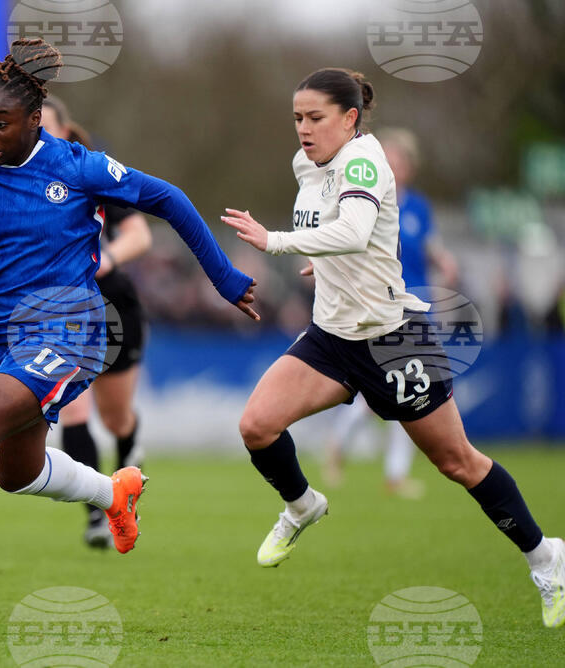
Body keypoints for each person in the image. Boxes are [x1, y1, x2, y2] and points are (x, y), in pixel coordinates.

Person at [0, 38, 258, 615]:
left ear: (35, 120)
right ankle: (112, 492)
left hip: (71, 329)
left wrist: (222, 277)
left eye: (0, 122)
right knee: (16, 473)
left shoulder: (76, 166)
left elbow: (168, 199)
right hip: (5, 334)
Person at [222, 68, 563, 628]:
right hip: (332, 337)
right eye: (297, 119)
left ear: (350, 118)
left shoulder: (365, 159)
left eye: (315, 118)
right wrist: (324, 261)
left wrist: (277, 241)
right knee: (257, 425)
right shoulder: (306, 164)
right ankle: (303, 506)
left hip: (393, 337)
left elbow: (356, 231)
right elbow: (350, 238)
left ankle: (547, 559)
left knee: (457, 462)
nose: (303, 130)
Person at [0, 94, 153, 548]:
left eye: (46, 129)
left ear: (65, 134)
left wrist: (103, 259)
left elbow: (140, 233)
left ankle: (127, 470)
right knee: (75, 411)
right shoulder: (6, 181)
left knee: (116, 417)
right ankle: (97, 514)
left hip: (107, 304)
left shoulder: (89, 171)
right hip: (51, 320)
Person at [322, 127, 459, 498]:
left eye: (399, 160)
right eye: (389, 159)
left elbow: (430, 245)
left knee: (412, 394)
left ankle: (394, 475)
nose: (393, 166)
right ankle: (337, 446)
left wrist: (444, 261)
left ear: (410, 167)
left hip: (414, 307)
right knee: (377, 394)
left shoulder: (418, 207)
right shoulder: (366, 198)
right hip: (379, 305)